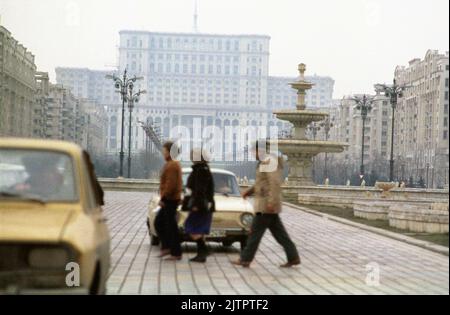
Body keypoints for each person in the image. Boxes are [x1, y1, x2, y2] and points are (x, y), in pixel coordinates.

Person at [232, 141, 301, 268]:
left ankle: (245, 259)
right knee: (280, 234)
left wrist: (271, 202)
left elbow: (274, 183)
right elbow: (262, 182)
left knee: (254, 233)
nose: (253, 154)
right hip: (266, 205)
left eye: (254, 151)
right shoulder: (265, 162)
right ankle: (293, 257)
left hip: (265, 206)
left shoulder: (269, 162)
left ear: (261, 150)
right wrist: (249, 191)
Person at [182, 148, 215, 263]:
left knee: (191, 228)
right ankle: (202, 254)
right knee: (197, 229)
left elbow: (200, 190)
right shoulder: (201, 169)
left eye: (193, 155)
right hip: (203, 205)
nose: (191, 157)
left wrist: (197, 204)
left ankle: (205, 250)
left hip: (201, 206)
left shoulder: (201, 170)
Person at [155, 141, 183, 261]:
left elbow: (170, 184)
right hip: (171, 199)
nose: (163, 152)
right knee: (162, 223)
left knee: (168, 225)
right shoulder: (171, 164)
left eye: (165, 150)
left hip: (170, 199)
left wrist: (163, 198)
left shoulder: (172, 165)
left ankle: (175, 251)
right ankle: (168, 247)